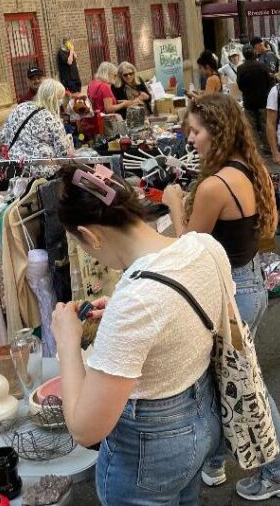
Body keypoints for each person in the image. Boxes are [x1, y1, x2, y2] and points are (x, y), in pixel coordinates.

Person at [49, 165, 225, 505]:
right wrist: (122, 312)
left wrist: (68, 344)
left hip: (152, 446)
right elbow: (185, 313)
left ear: (91, 235)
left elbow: (86, 429)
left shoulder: (137, 300)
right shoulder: (203, 247)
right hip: (203, 418)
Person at [160, 93, 280, 501]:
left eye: (196, 130)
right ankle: (215, 461)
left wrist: (174, 205)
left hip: (229, 293)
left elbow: (189, 248)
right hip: (249, 283)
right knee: (230, 380)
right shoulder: (248, 167)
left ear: (216, 132)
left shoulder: (213, 186)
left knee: (245, 385)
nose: (190, 138)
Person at [1, 78, 71, 176]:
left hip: (16, 168)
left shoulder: (20, 108)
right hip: (42, 171)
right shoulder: (52, 119)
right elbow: (63, 154)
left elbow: (4, 136)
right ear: (54, 98)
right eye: (60, 98)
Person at [237, 46, 274, 157]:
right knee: (265, 124)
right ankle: (268, 147)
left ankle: (256, 149)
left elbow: (240, 85)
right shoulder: (263, 66)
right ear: (254, 54)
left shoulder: (241, 68)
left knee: (251, 126)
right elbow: (269, 82)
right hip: (263, 100)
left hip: (249, 100)